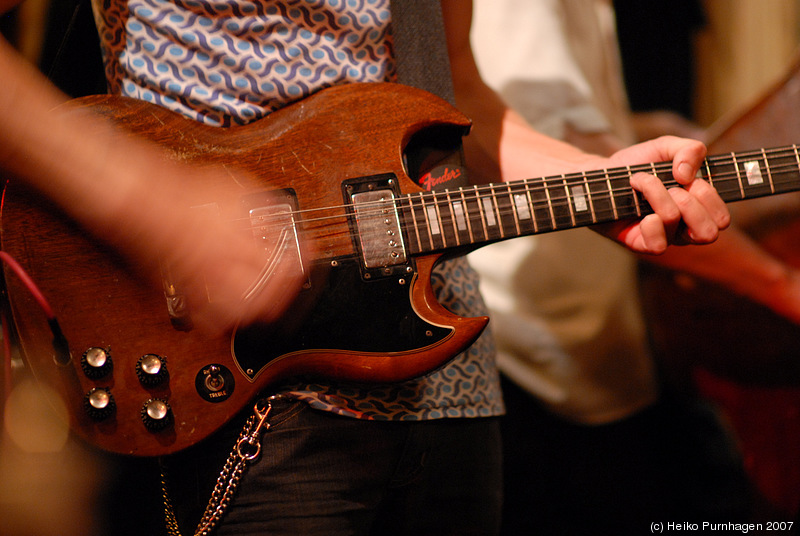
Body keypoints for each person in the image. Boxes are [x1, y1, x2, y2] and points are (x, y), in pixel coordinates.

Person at [0, 1, 730, 534]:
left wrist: (590, 179)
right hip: (244, 380)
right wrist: (147, 201)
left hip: (449, 385)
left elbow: (459, 102)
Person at [470, 0, 800, 532]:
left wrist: (653, 133)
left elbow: (567, 125)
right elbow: (528, 134)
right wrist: (781, 284)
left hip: (595, 323)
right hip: (544, 342)